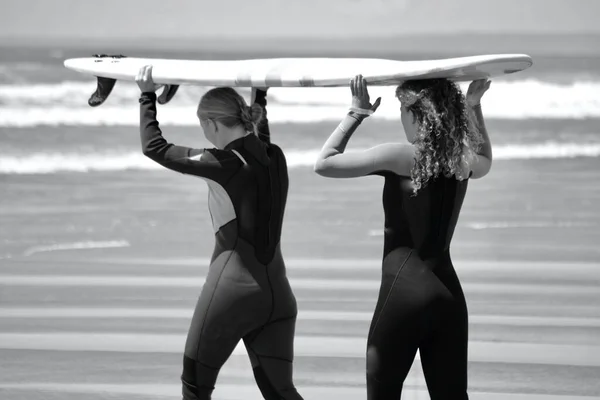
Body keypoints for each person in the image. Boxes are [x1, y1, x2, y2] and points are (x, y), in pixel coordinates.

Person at [314, 75, 492, 399]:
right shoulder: (461, 161)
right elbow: (486, 160)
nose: (400, 117)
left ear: (416, 113)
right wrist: (473, 106)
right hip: (448, 297)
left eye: (401, 108)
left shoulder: (399, 156)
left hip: (403, 298)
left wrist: (357, 112)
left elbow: (324, 163)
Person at [136, 65, 304, 400]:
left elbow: (154, 147)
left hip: (232, 293)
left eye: (204, 126)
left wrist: (146, 95)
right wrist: (261, 94)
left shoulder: (222, 162)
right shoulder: (275, 156)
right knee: (280, 392)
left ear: (212, 123)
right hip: (278, 296)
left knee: (195, 386)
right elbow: (259, 139)